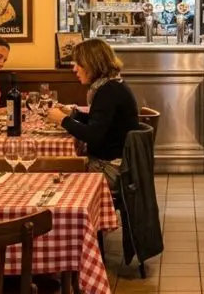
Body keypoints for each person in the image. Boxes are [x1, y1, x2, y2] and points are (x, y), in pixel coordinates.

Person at [45, 38, 139, 189]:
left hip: (110, 169)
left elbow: (93, 134)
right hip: (118, 163)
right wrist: (73, 114)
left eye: (78, 64)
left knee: (50, 176)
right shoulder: (112, 85)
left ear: (92, 65)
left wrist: (63, 120)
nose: (74, 69)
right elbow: (102, 122)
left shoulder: (107, 91)